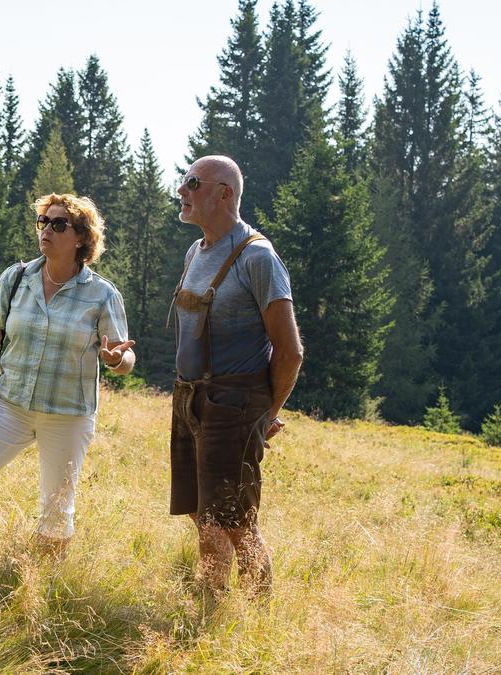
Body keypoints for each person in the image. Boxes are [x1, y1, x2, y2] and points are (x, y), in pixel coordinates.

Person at [0, 193, 135, 559]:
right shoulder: (16, 278)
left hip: (68, 415)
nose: (47, 230)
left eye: (59, 224)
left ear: (81, 237)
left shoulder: (102, 295)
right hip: (10, 407)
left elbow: (126, 358)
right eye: (43, 222)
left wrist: (114, 360)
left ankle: (40, 587)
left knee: (56, 507)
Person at [169, 155, 302, 599]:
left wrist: (265, 414)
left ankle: (246, 611)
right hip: (190, 398)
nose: (182, 192)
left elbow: (290, 351)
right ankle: (217, 599)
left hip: (233, 403)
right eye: (183, 182)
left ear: (224, 193)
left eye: (192, 183)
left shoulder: (258, 258)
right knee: (199, 510)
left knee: (232, 520)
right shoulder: (196, 250)